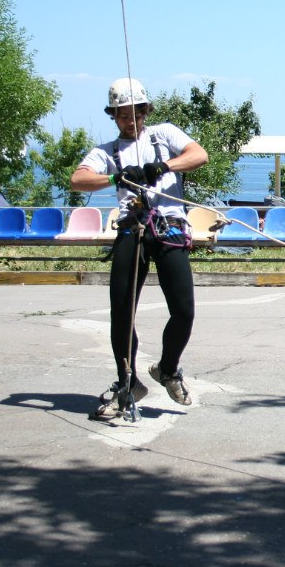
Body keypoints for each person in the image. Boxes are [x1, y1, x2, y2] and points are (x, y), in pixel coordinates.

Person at [70, 77, 209, 420]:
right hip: (133, 229)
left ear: (145, 111)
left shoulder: (164, 135)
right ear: (113, 116)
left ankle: (168, 368)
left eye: (135, 112)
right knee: (122, 311)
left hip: (169, 227)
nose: (129, 120)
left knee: (184, 310)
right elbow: (78, 179)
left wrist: (162, 166)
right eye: (122, 114)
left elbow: (198, 155)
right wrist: (116, 178)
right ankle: (126, 382)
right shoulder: (107, 151)